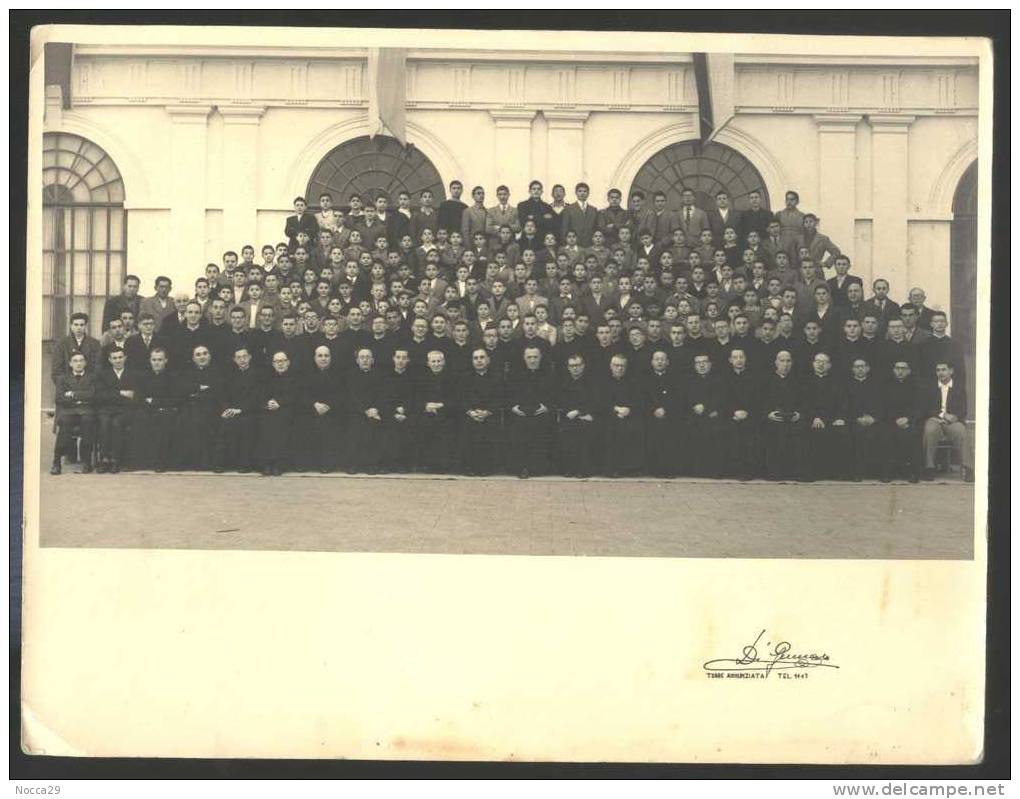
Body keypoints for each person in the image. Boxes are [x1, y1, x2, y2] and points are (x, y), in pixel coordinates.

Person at [919, 361, 973, 482]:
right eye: (938, 370)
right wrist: (942, 415)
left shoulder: (958, 387)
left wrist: (955, 417)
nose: (941, 373)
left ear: (951, 371)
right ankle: (929, 467)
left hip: (952, 421)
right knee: (929, 430)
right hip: (935, 419)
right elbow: (926, 407)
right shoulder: (930, 387)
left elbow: (962, 408)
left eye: (944, 369)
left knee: (961, 431)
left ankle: (968, 468)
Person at [506, 346, 555, 478]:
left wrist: (547, 406)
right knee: (518, 431)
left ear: (540, 358)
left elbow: (555, 395)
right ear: (524, 358)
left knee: (540, 432)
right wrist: (513, 407)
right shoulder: (516, 375)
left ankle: (537, 468)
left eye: (535, 357)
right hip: (520, 414)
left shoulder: (548, 375)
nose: (532, 360)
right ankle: (522, 467)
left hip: (541, 413)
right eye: (529, 357)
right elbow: (508, 394)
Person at [128, 347, 179, 472]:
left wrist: (155, 401)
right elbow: (139, 398)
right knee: (139, 418)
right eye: (154, 360)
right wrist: (150, 403)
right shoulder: (143, 377)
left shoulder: (172, 377)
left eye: (160, 360)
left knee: (163, 419)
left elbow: (175, 399)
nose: (156, 362)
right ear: (150, 361)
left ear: (166, 360)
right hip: (147, 409)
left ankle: (160, 462)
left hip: (166, 410)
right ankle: (141, 462)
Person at [801, 352, 849, 481]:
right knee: (805, 432)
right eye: (818, 361)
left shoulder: (837, 382)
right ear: (813, 364)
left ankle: (835, 472)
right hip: (811, 418)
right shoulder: (805, 381)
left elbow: (843, 403)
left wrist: (839, 418)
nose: (821, 364)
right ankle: (810, 472)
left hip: (832, 418)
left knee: (842, 431)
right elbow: (803, 403)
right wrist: (814, 417)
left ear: (830, 365)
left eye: (824, 362)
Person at [213, 347, 261, 473]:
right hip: (232, 411)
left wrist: (240, 410)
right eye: (239, 357)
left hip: (249, 411)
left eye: (244, 356)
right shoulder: (230, 375)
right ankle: (221, 463)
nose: (242, 360)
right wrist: (227, 409)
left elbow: (257, 397)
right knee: (225, 424)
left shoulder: (257, 375)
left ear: (250, 357)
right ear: (234, 360)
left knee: (246, 424)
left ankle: (244, 464)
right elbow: (223, 395)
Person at [50, 351, 98, 475]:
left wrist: (73, 394)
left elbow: (93, 395)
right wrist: (81, 398)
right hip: (68, 412)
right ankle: (56, 462)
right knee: (64, 423)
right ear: (70, 363)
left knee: (88, 422)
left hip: (86, 411)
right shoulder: (62, 379)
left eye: (81, 360)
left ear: (85, 363)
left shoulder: (92, 378)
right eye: (75, 361)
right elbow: (59, 398)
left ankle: (86, 461)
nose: (78, 364)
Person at [459, 348, 504, 476]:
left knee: (489, 429)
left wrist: (487, 412)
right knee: (468, 427)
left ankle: (487, 467)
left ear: (488, 360)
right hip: (470, 415)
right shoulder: (465, 377)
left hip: (490, 414)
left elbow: (500, 398)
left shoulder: (497, 377)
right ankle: (469, 467)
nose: (479, 361)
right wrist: (470, 412)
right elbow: (461, 398)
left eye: (482, 357)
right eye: (476, 358)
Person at [760, 350, 803, 480]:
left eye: (788, 361)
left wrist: (799, 413)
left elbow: (805, 401)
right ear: (776, 362)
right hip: (773, 419)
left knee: (799, 434)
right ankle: (774, 472)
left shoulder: (799, 381)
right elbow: (759, 401)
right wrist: (768, 413)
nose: (785, 364)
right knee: (773, 434)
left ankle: (795, 472)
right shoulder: (766, 380)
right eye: (782, 361)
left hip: (793, 419)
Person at [94, 348, 138, 473]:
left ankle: (115, 459)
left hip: (125, 410)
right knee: (104, 423)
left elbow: (134, 396)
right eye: (114, 358)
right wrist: (121, 392)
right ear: (109, 360)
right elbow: (100, 395)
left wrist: (111, 394)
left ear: (125, 358)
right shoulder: (102, 374)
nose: (118, 360)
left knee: (117, 423)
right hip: (106, 409)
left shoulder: (133, 373)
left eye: (120, 357)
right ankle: (103, 458)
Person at [556, 353, 599, 477]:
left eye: (578, 365)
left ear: (583, 366)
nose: (575, 368)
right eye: (572, 366)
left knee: (584, 431)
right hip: (568, 416)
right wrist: (571, 413)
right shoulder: (563, 382)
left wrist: (580, 412)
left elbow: (595, 401)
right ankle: (569, 468)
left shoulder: (591, 382)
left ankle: (583, 469)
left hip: (587, 416)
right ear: (568, 367)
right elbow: (560, 401)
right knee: (567, 432)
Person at [601, 354, 644, 476]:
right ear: (610, 366)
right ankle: (612, 468)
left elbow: (638, 399)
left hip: (629, 414)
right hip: (609, 414)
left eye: (622, 366)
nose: (619, 368)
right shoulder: (603, 381)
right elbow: (599, 401)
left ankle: (631, 468)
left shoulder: (633, 381)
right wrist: (616, 409)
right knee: (611, 428)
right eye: (616, 365)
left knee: (634, 427)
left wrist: (628, 410)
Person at [345, 348, 385, 473]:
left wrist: (376, 409)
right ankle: (354, 464)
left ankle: (372, 464)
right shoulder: (350, 376)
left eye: (368, 357)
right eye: (362, 357)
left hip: (375, 412)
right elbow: (350, 397)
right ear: (357, 361)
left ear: (372, 360)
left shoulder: (380, 376)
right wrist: (364, 410)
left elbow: (383, 396)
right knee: (355, 427)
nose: (365, 360)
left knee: (375, 428)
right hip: (356, 411)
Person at [415, 350, 456, 473]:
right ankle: (428, 464)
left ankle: (444, 465)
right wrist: (425, 405)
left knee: (446, 428)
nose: (436, 364)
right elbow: (415, 398)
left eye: (439, 361)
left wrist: (440, 405)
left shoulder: (452, 378)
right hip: (426, 413)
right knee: (424, 426)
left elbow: (456, 398)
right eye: (433, 361)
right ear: (428, 363)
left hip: (446, 413)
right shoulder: (421, 379)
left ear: (443, 362)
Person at [722, 348, 759, 480]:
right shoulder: (723, 377)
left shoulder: (754, 376)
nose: (738, 360)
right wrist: (734, 412)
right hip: (730, 414)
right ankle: (732, 469)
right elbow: (722, 398)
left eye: (741, 357)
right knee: (730, 432)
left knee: (749, 434)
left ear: (745, 359)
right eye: (735, 357)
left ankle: (747, 470)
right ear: (730, 360)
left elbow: (757, 398)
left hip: (750, 414)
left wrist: (747, 412)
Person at [885, 359, 921, 483]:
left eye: (903, 369)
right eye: (897, 368)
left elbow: (919, 406)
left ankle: (911, 472)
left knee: (913, 435)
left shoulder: (916, 386)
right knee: (886, 435)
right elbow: (884, 406)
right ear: (893, 370)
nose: (900, 371)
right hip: (891, 421)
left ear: (909, 371)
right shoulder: (886, 385)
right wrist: (895, 420)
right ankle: (887, 472)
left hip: (910, 421)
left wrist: (908, 419)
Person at [51, 312, 102, 384]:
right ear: (71, 326)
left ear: (85, 326)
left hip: (89, 387)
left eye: (82, 325)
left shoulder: (95, 344)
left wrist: (88, 384)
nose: (79, 328)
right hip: (67, 387)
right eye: (76, 325)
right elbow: (56, 370)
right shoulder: (62, 344)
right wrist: (66, 385)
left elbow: (98, 368)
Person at [561, 182, 599, 247]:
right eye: (580, 191)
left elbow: (595, 228)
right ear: (576, 193)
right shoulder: (569, 209)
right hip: (574, 245)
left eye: (585, 191)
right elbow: (565, 228)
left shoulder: (593, 210)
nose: (582, 193)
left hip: (590, 245)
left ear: (588, 193)